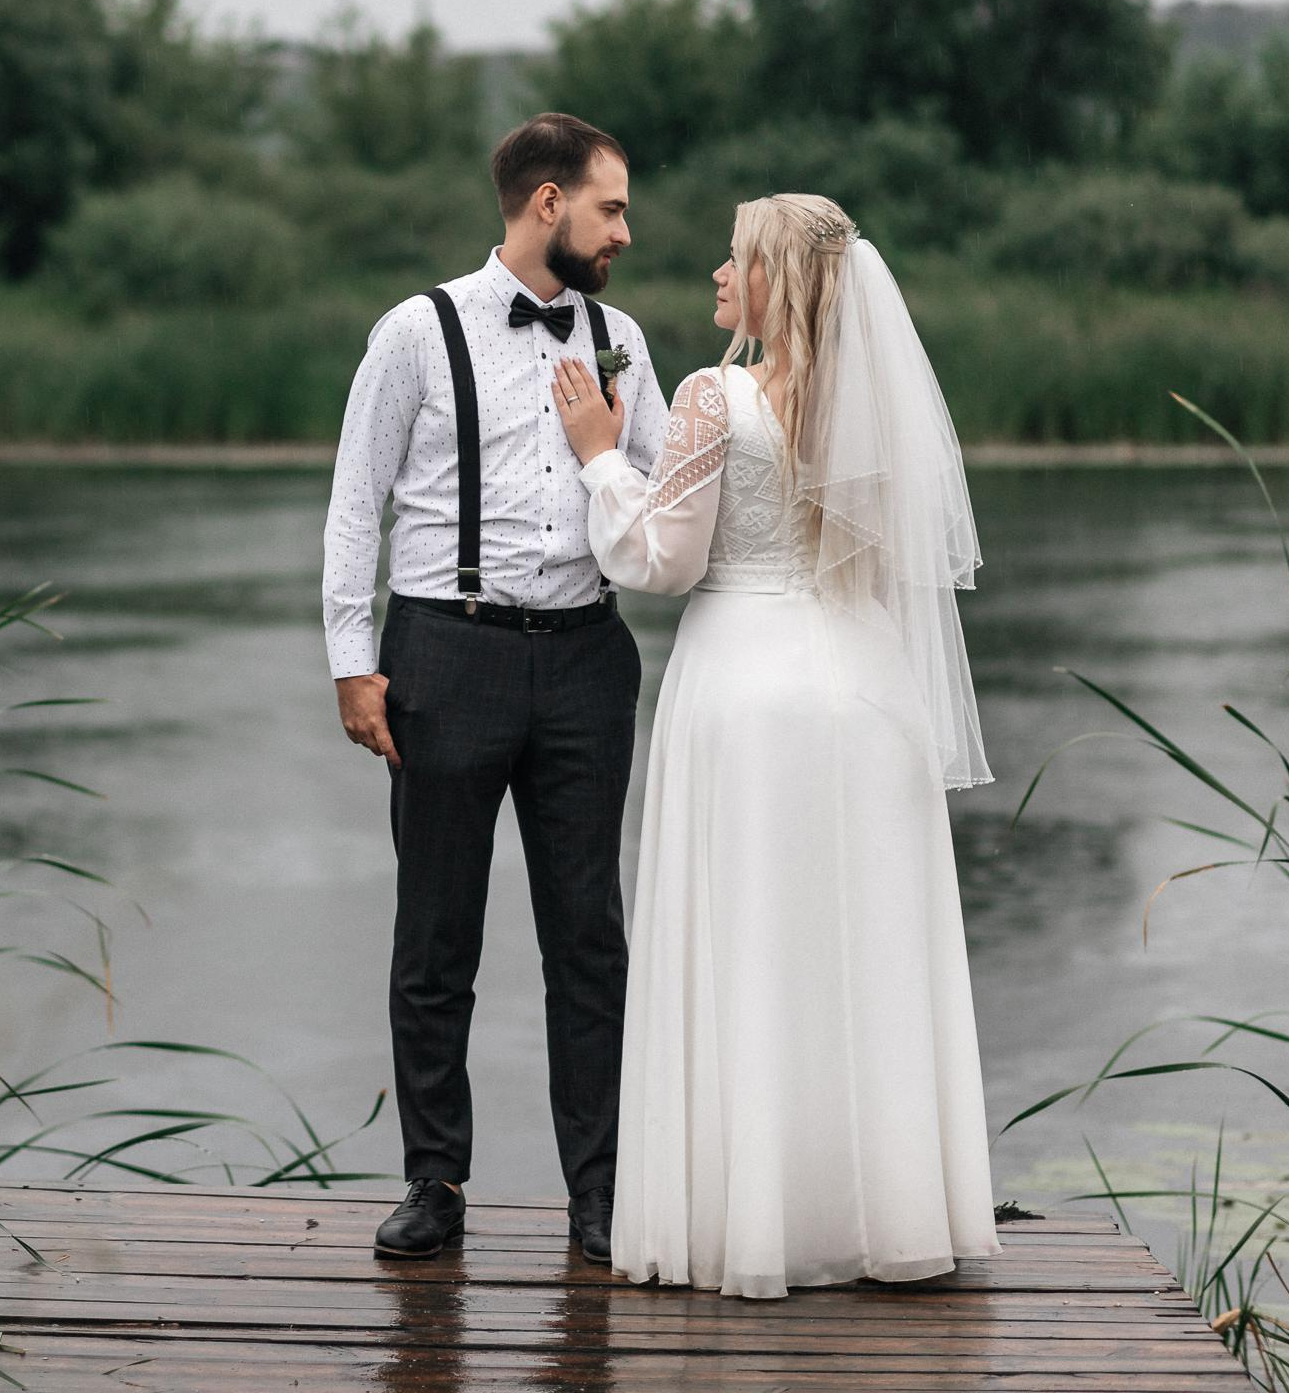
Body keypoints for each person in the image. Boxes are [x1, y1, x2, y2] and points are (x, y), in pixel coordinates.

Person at [554, 193, 1000, 1298]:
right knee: (860, 950)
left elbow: (659, 556)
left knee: (752, 944)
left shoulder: (716, 396)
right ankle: (892, 1215)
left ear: (777, 282)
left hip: (746, 693)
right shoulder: (879, 415)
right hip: (866, 692)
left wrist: (601, 456)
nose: (715, 272)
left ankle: (754, 1220)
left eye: (735, 258)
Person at [321, 113, 669, 1264]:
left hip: (585, 656)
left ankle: (599, 1194)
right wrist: (350, 659)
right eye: (610, 207)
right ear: (546, 204)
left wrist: (612, 449)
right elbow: (355, 500)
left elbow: (664, 495)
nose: (625, 228)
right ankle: (437, 1181)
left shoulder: (622, 336)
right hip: (445, 653)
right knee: (436, 936)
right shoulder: (416, 332)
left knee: (589, 938)